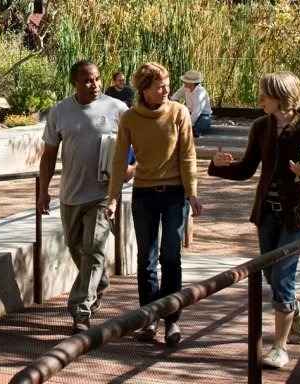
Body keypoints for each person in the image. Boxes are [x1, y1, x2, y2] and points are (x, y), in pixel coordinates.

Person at [208, 71, 300, 369]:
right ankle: (295, 309)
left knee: (282, 277)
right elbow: (247, 168)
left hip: (297, 216)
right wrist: (218, 165)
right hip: (267, 214)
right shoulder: (260, 127)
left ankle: (279, 346)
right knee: (269, 275)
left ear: (283, 97)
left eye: (266, 94)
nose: (260, 98)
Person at [105, 62, 202, 347]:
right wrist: (112, 199)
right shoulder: (130, 118)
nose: (166, 91)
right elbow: (120, 160)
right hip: (144, 194)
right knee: (146, 260)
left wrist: (192, 193)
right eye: (159, 86)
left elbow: (188, 156)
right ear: (144, 89)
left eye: (167, 85)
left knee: (170, 255)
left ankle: (172, 318)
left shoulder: (178, 113)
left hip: (174, 194)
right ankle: (149, 318)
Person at [38, 60, 130, 333]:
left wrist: (132, 168)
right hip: (70, 195)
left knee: (94, 249)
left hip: (103, 194)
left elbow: (136, 144)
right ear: (74, 82)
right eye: (88, 80)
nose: (96, 85)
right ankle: (99, 282)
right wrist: (43, 191)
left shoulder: (117, 109)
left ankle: (81, 310)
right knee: (77, 249)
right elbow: (49, 155)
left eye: (98, 79)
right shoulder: (60, 111)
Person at [169, 69, 213, 137]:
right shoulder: (185, 88)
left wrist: (188, 124)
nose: (184, 82)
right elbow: (175, 97)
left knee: (203, 123)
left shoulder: (201, 93)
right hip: (188, 113)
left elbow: (197, 111)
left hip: (203, 115)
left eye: (185, 81)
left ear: (191, 83)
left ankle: (192, 130)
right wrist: (175, 106)